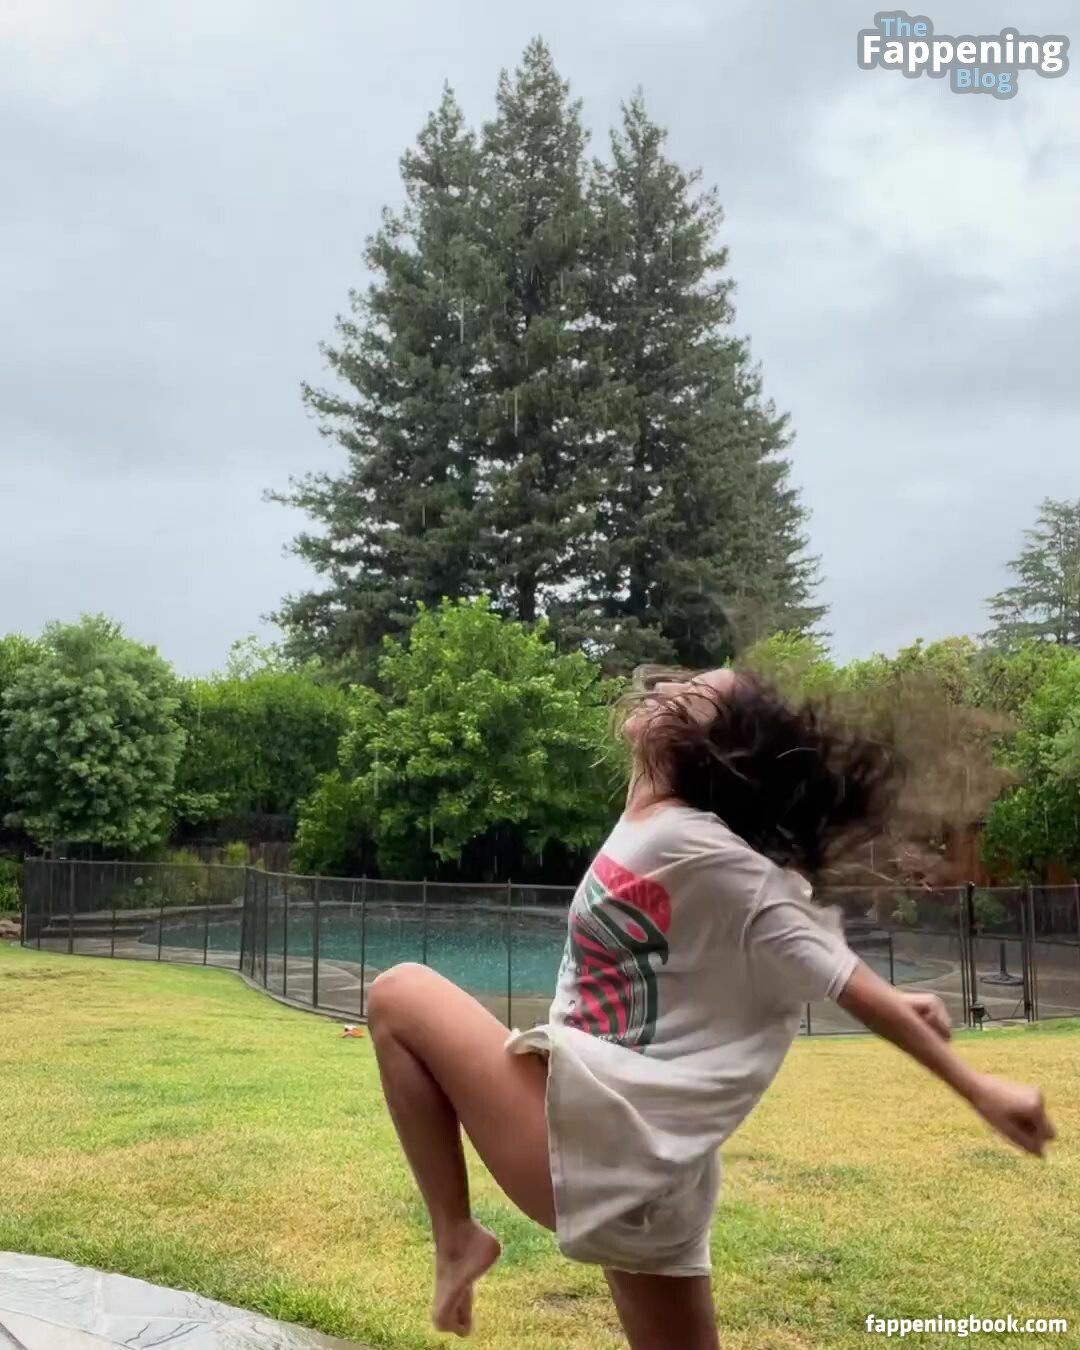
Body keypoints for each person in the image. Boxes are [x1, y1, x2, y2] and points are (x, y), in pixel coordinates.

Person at [366, 667, 1056, 1349]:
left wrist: (977, 1086)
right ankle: (459, 1237)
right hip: (646, 1171)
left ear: (707, 748)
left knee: (399, 995)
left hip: (592, 1141)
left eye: (693, 694)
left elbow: (833, 965)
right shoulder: (658, 824)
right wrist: (899, 997)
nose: (666, 689)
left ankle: (456, 1237)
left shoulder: (699, 846)